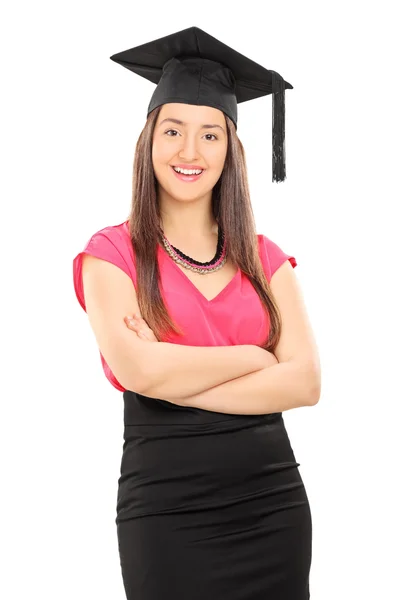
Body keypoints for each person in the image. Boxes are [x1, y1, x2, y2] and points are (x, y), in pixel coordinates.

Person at [72, 26, 321, 600]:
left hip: (272, 505)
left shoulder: (265, 258)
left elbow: (305, 382)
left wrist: (167, 369)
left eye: (210, 134)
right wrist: (256, 358)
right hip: (166, 511)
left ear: (231, 148)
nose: (190, 151)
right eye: (174, 130)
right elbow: (138, 374)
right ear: (148, 141)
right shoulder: (111, 254)